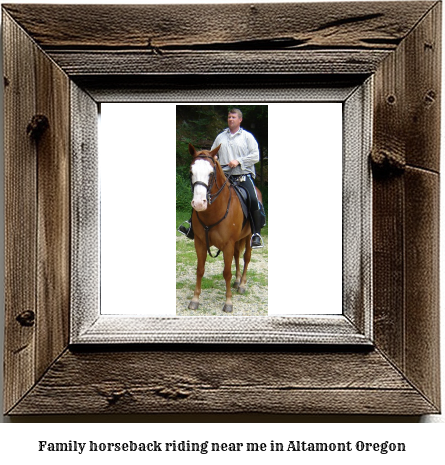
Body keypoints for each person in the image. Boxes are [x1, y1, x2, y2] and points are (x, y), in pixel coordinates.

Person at [179, 108, 265, 248]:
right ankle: (191, 226)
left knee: (253, 198)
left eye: (233, 117)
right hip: (224, 175)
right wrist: (214, 158)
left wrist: (239, 161)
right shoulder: (221, 137)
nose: (230, 119)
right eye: (229, 117)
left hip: (243, 175)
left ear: (240, 120)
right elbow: (211, 153)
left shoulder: (247, 137)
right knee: (202, 192)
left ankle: (256, 234)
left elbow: (256, 156)